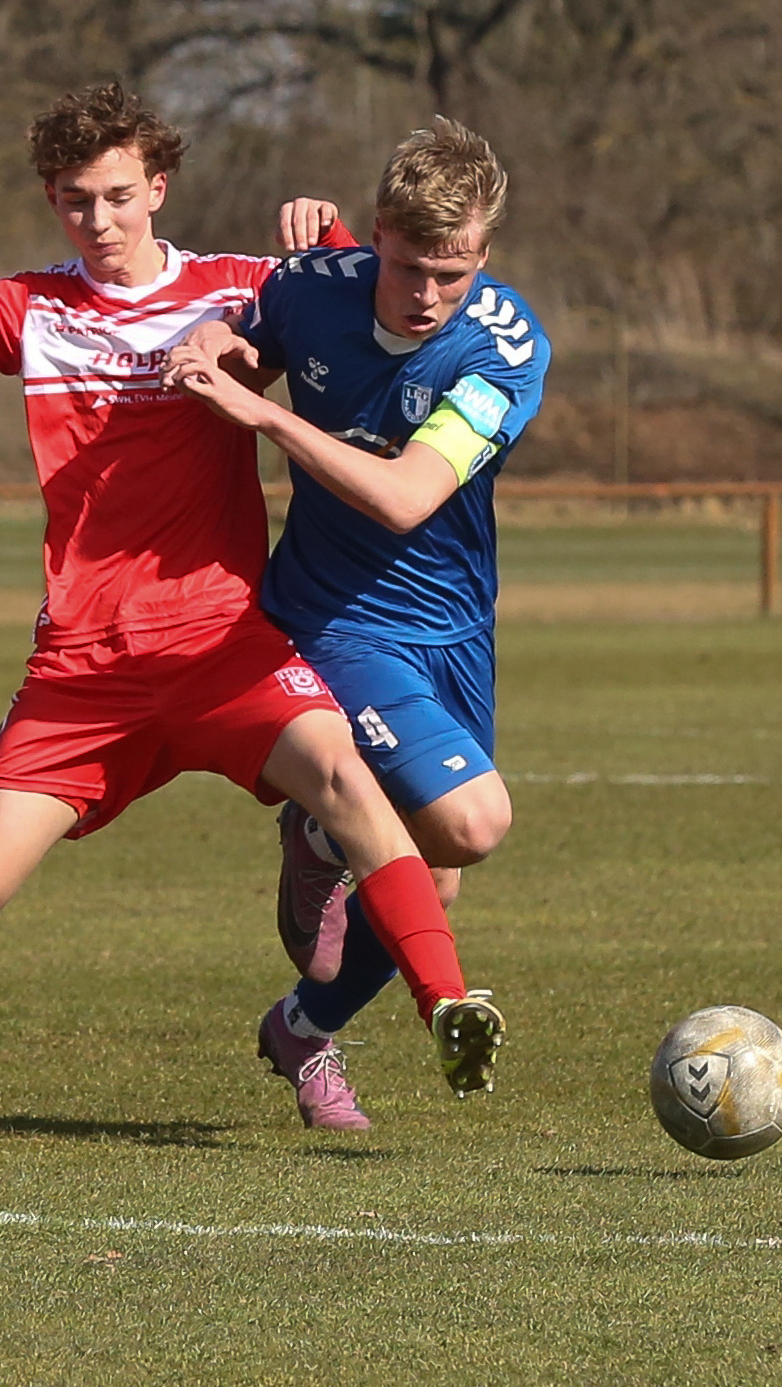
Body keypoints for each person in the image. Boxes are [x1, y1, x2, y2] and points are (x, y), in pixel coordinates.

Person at [0, 83, 505, 1142]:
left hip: (225, 642)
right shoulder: (27, 307)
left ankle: (446, 1001)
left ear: (158, 187)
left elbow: (375, 304)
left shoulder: (240, 286)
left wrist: (336, 229)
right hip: (84, 666)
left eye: (120, 195)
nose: (100, 219)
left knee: (355, 784)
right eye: (76, 199)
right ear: (52, 199)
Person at [163, 118, 546, 1131]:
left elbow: (407, 497)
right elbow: (241, 334)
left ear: (485, 254)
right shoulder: (314, 285)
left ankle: (301, 1024)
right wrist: (216, 342)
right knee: (474, 820)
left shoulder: (502, 347)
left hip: (453, 628)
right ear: (377, 232)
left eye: (452, 273)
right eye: (411, 264)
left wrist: (270, 420)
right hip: (333, 617)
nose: (427, 294)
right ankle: (327, 826)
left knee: (437, 887)